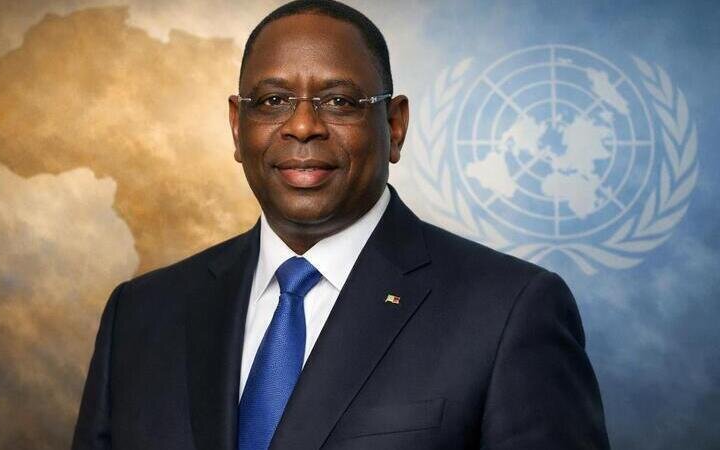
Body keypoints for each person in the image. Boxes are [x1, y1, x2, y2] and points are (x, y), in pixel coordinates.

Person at [71, 1, 611, 449]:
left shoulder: (509, 312)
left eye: (340, 101)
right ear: (238, 126)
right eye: (274, 100)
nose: (303, 126)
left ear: (394, 126)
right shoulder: (140, 315)